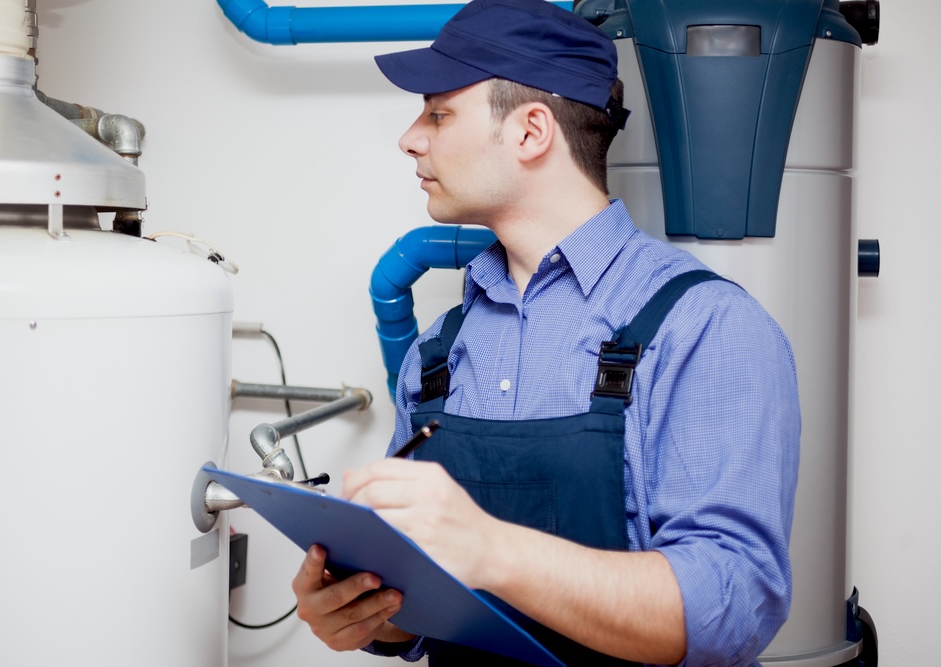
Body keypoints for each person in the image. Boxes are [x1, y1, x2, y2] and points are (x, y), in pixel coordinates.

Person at [291, 0, 801, 665]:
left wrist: (493, 549)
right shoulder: (437, 353)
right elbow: (418, 589)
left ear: (531, 132)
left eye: (439, 113)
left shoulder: (703, 325)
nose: (412, 137)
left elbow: (733, 606)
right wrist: (367, 611)